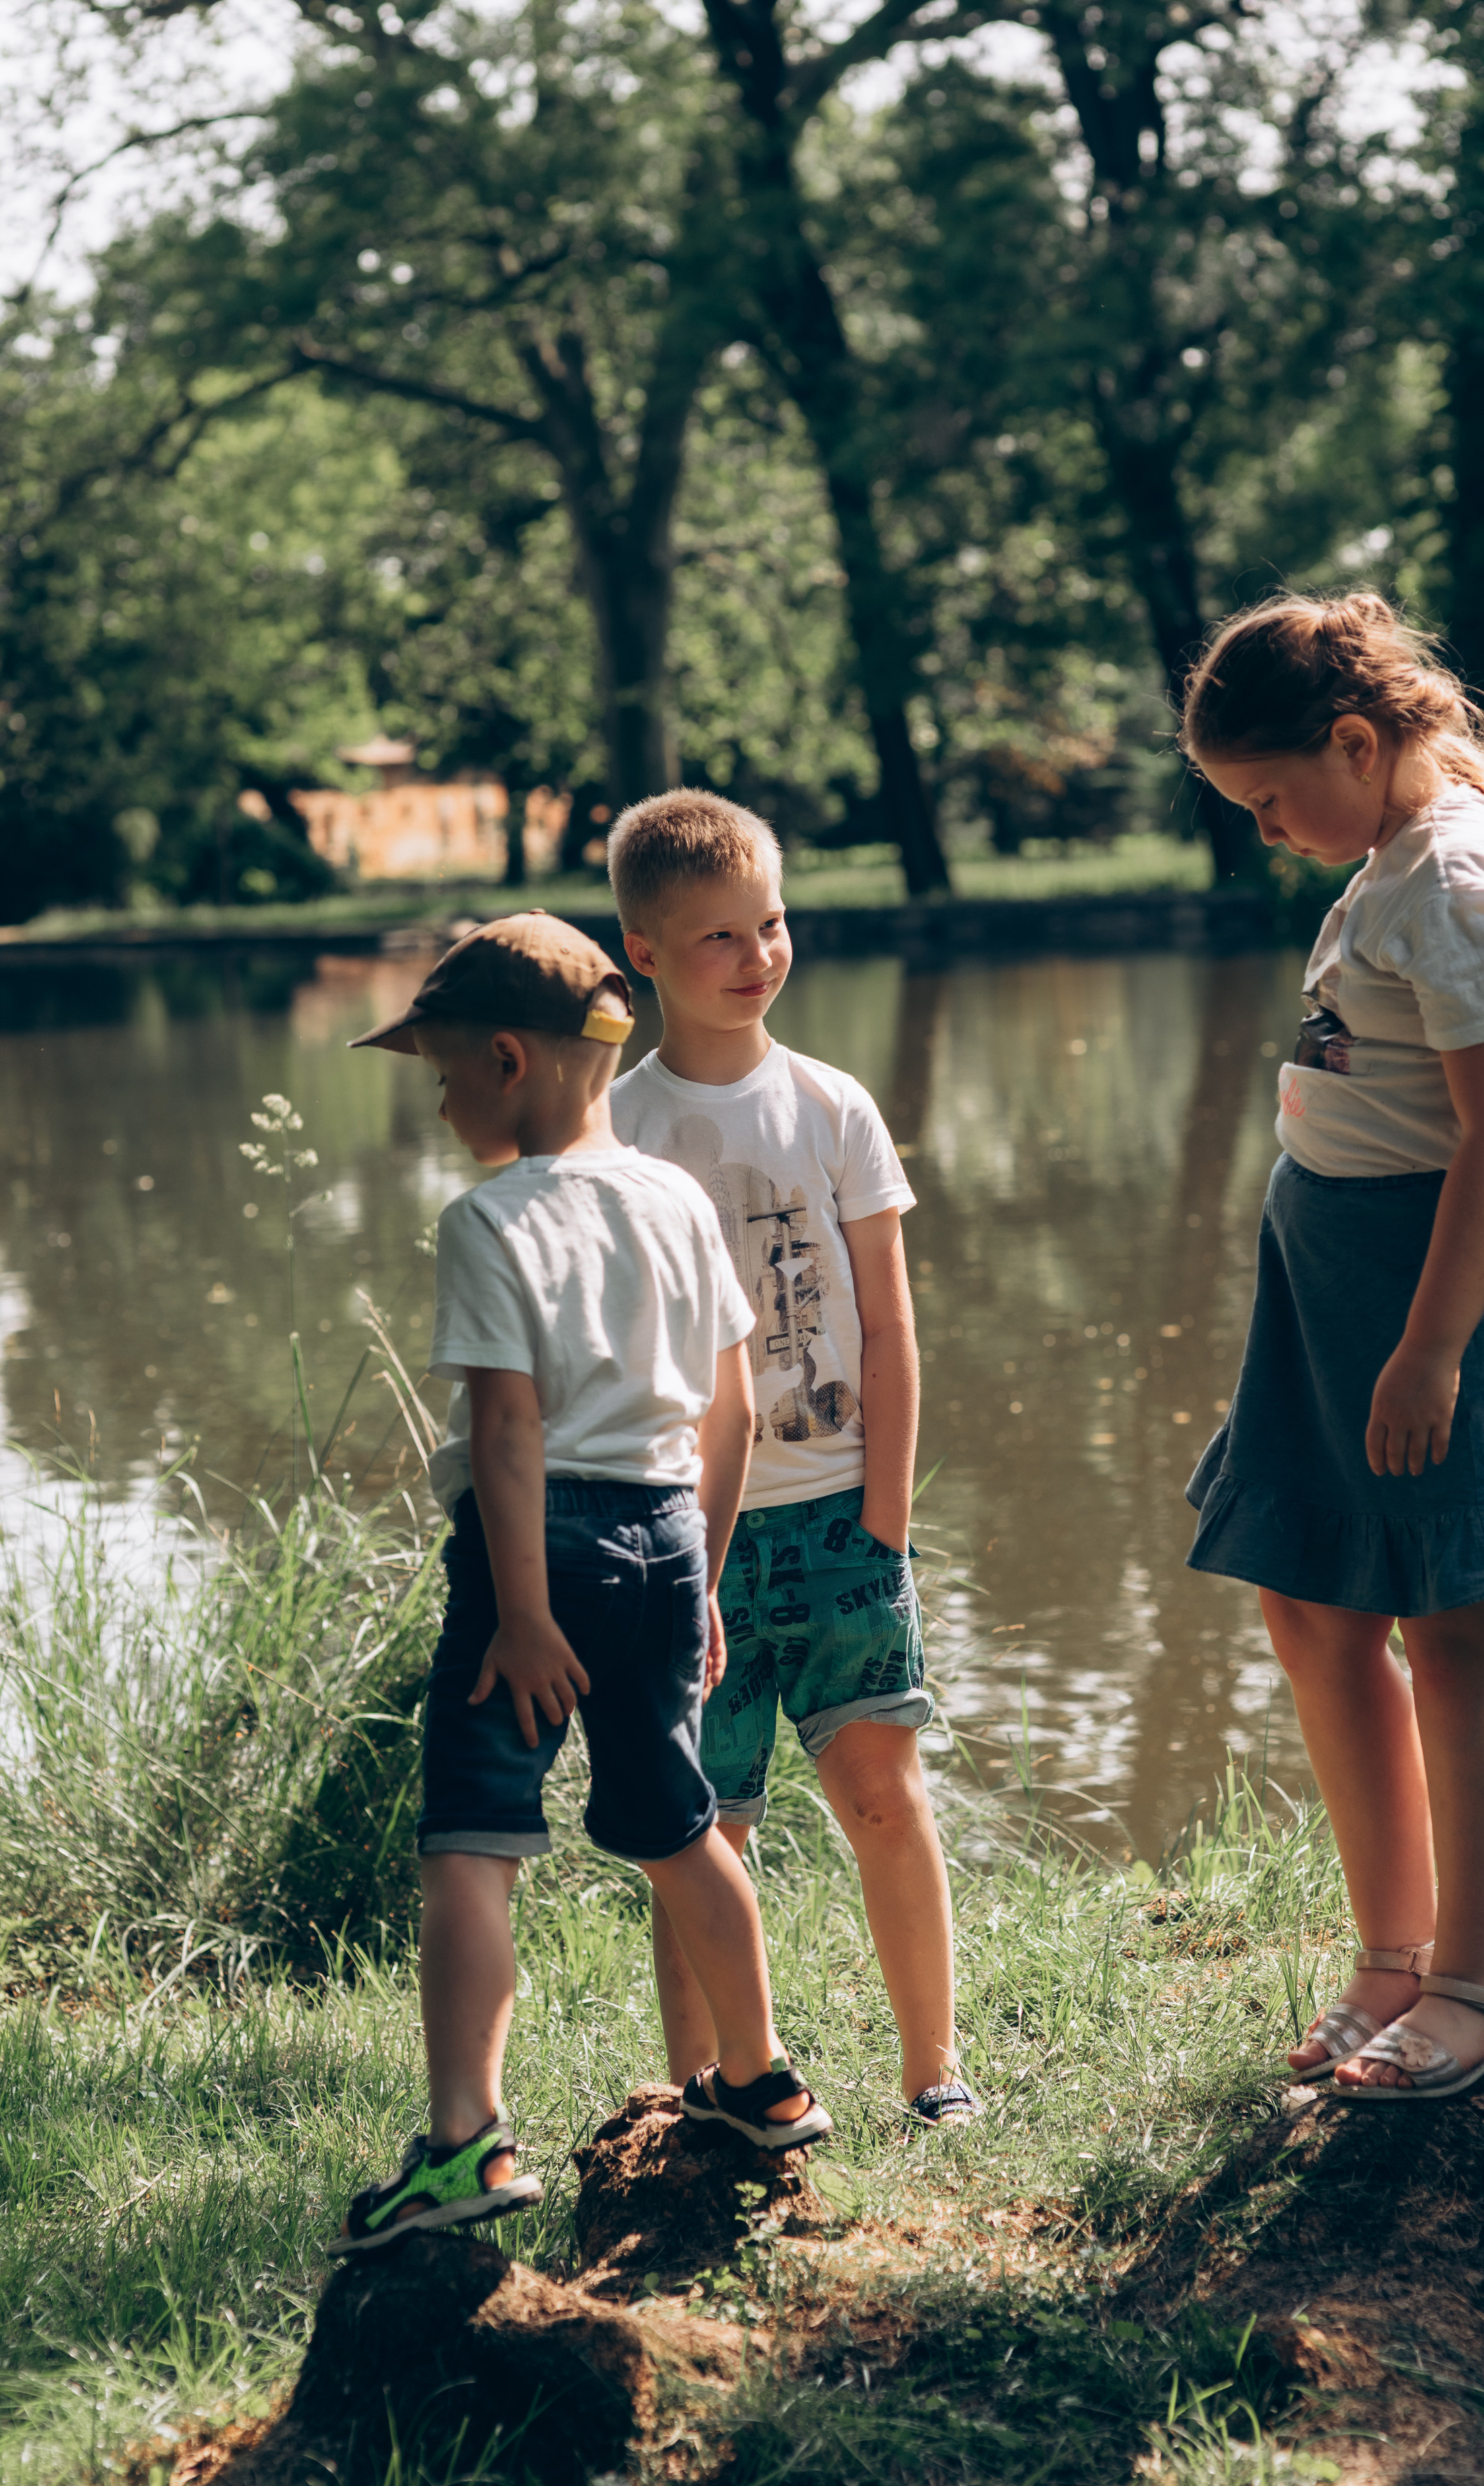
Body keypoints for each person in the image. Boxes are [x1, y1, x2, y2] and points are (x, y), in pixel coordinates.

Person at [1180, 593, 1484, 2103]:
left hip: (1448, 1297)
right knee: (1312, 1606)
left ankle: (1477, 1984)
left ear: (1352, 740)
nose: (1264, 829)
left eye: (1268, 798)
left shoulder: (1458, 875)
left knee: (1455, 1628)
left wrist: (1433, 1348)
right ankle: (1390, 1956)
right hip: (1345, 1293)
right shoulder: (1397, 857)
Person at [332, 912, 832, 2254]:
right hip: (666, 1535)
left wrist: (522, 1615)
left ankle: (463, 2142)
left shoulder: (490, 1219)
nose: (441, 1104)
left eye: (446, 1074)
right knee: (678, 1820)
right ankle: (759, 2079)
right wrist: (702, 1579)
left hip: (537, 1552)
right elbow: (734, 1413)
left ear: (509, 1059)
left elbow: (507, 1431)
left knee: (470, 1839)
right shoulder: (673, 1200)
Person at [606, 793, 974, 2129]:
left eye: (769, 924)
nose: (756, 955)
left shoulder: (830, 1105)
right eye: (718, 936)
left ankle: (934, 2071)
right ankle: (705, 2090)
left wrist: (886, 1513)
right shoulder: (616, 1130)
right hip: (686, 1542)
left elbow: (890, 1322)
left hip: (837, 1521)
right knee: (703, 1829)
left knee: (882, 1794)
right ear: (644, 952)